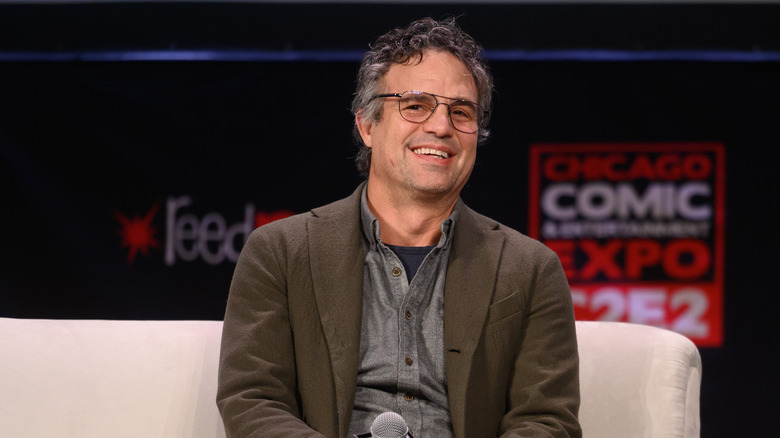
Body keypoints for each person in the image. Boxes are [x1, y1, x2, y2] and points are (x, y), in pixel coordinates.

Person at [217, 17, 581, 438]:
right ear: (367, 125)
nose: (441, 127)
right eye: (415, 105)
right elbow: (253, 401)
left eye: (460, 112)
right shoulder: (279, 253)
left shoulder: (532, 269)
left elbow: (547, 421)